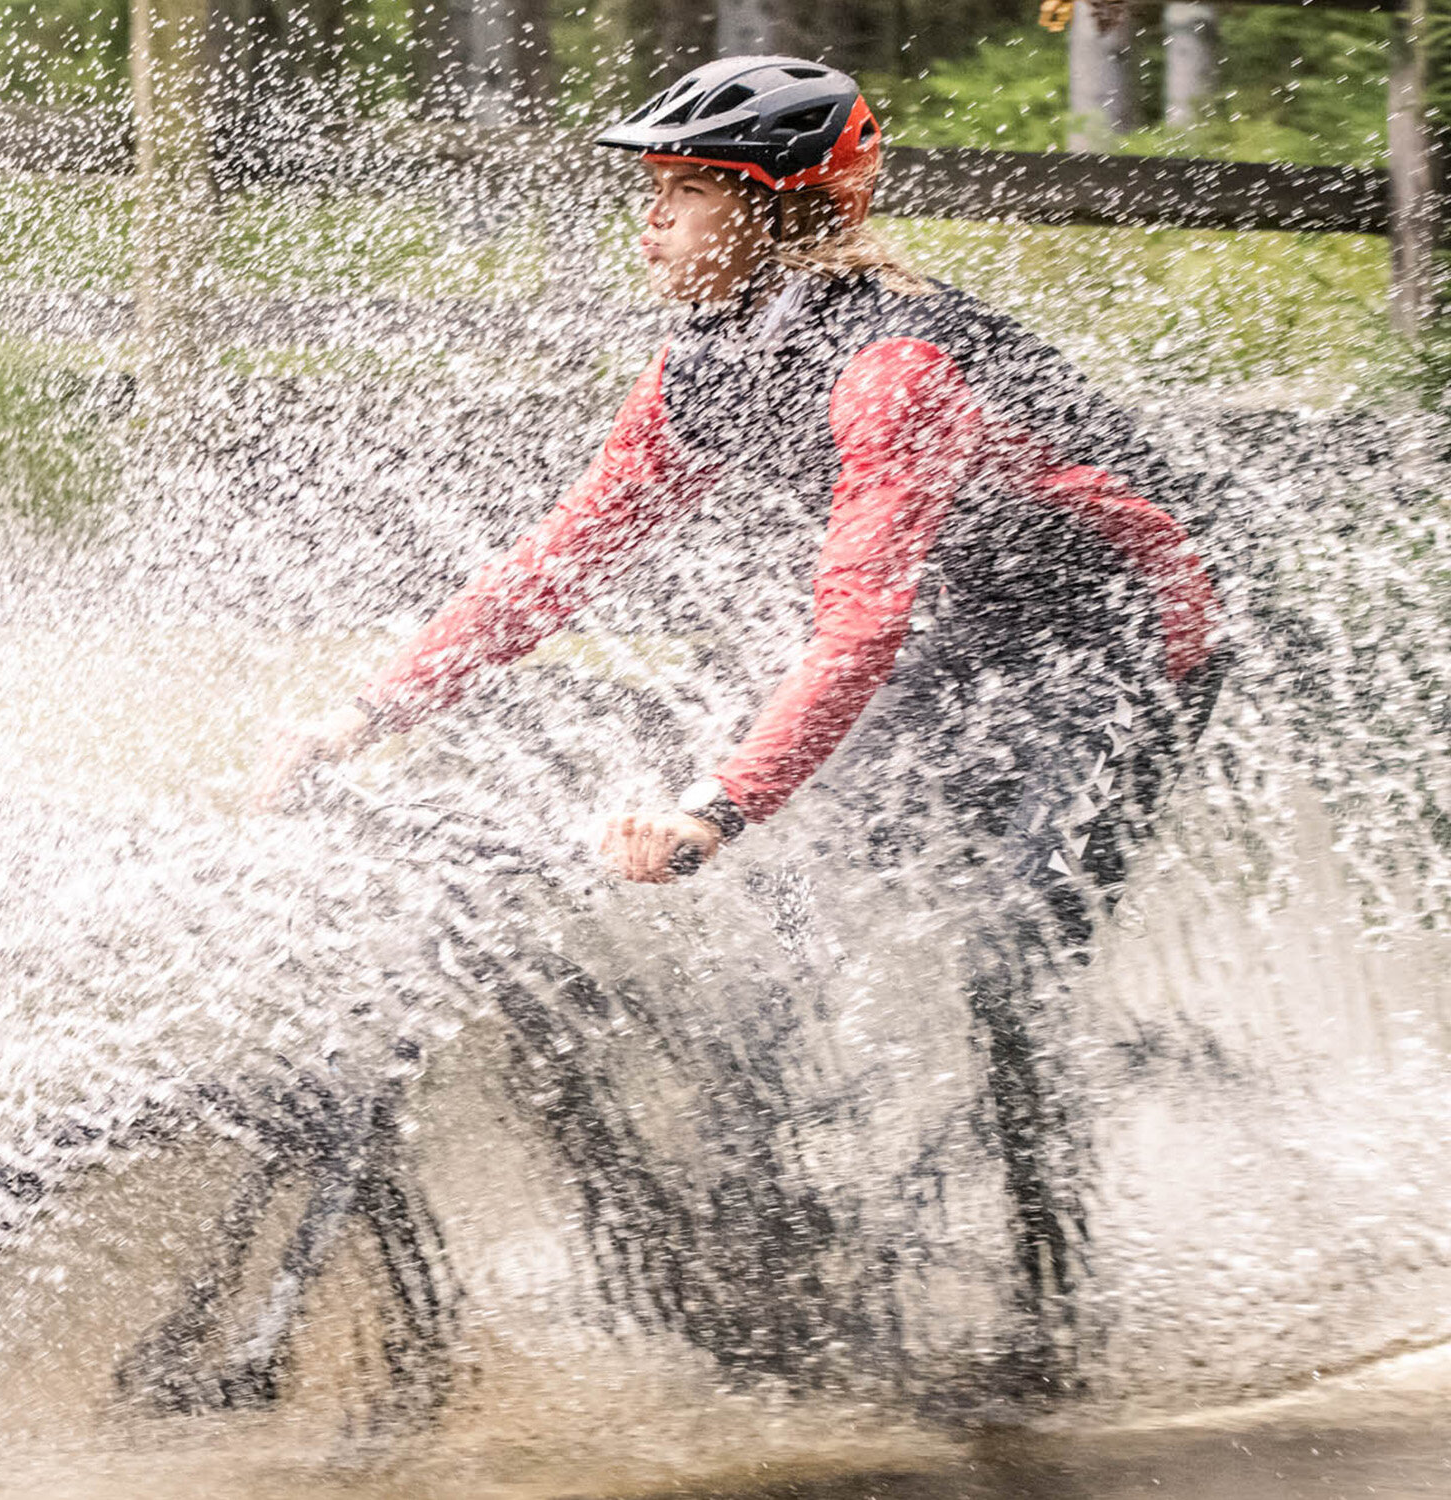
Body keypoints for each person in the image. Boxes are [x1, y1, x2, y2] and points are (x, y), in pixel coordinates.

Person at [256, 55, 1226, 1384]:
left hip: (1128, 634)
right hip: (970, 628)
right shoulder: (702, 364)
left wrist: (715, 809)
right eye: (649, 194)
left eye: (682, 196)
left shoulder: (891, 370)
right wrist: (362, 722)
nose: (647, 225)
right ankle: (786, 1219)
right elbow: (555, 567)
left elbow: (857, 633)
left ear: (777, 214)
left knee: (1004, 954)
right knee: (800, 906)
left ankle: (1054, 1314)